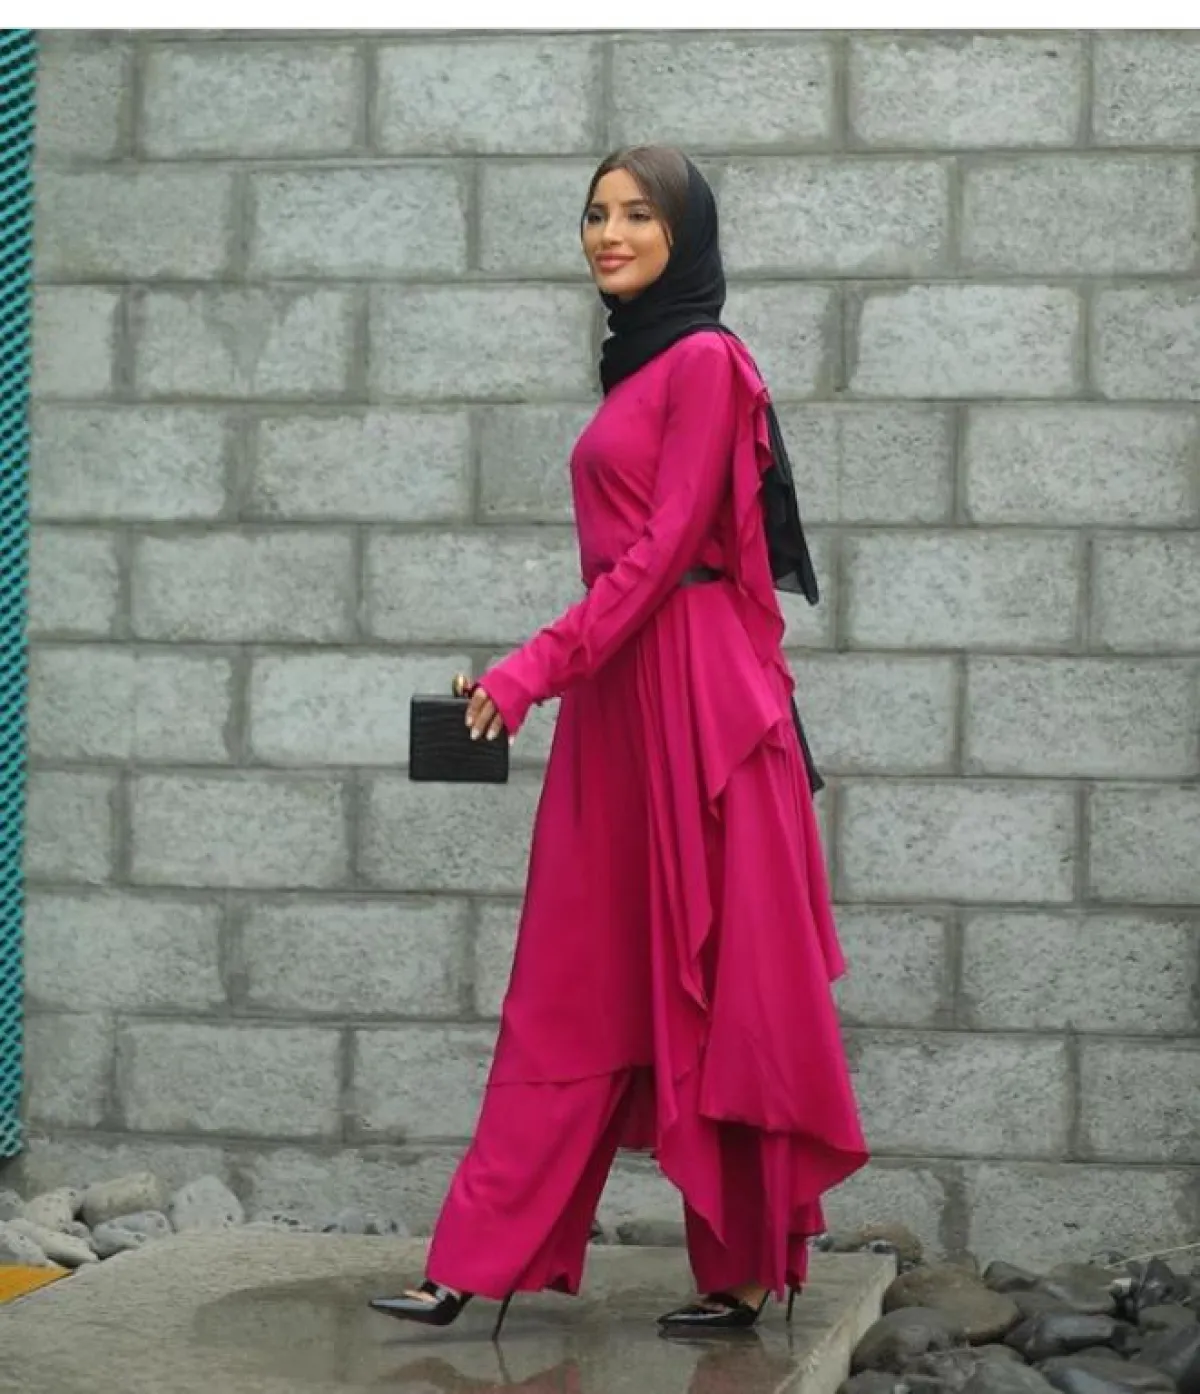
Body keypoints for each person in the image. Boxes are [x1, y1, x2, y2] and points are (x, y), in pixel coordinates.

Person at [370, 144, 868, 1340]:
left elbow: (662, 554)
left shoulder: (705, 361)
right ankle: (474, 1254)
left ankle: (742, 1269)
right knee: (569, 979)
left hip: (702, 709)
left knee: (729, 986)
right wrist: (549, 675)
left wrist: (526, 671)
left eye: (639, 214)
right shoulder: (638, 363)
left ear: (683, 236)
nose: (609, 233)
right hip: (620, 703)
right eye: (596, 213)